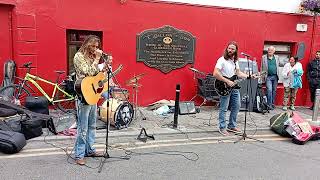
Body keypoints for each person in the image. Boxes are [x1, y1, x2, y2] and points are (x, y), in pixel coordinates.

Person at [73, 35, 104, 165]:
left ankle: (90, 150)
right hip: (83, 96)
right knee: (82, 127)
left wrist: (105, 68)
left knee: (92, 125)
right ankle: (79, 154)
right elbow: (88, 72)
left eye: (97, 47)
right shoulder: (79, 56)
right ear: (86, 44)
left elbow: (95, 77)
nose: (95, 49)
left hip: (93, 94)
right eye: (93, 46)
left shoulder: (93, 57)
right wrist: (97, 59)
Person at [213, 41, 251, 136]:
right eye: (229, 48)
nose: (230, 50)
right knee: (224, 108)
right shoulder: (222, 60)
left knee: (237, 106)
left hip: (234, 87)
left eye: (232, 49)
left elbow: (238, 73)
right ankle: (222, 127)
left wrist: (249, 76)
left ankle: (231, 125)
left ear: (235, 51)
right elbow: (215, 73)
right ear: (227, 49)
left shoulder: (235, 61)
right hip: (224, 86)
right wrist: (227, 81)